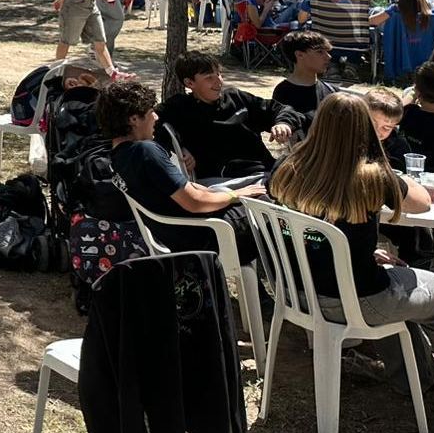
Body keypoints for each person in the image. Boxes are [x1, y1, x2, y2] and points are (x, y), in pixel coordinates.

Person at [268, 91, 434, 427]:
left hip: (300, 291)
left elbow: (319, 230)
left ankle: (417, 379)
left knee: (401, 278)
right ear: (363, 130)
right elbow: (423, 202)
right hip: (356, 298)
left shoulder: (286, 168)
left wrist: (362, 252)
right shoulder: (371, 175)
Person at [98, 80, 265, 264]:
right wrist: (236, 195)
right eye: (149, 113)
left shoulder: (116, 157)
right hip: (204, 236)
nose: (156, 117)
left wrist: (222, 192)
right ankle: (292, 282)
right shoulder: (145, 152)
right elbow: (195, 202)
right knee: (271, 206)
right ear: (134, 120)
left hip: (174, 233)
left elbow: (186, 187)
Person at [154, 51, 301, 178]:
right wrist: (178, 149)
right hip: (223, 181)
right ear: (190, 83)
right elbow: (148, 124)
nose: (218, 82)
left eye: (219, 74)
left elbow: (280, 109)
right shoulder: (179, 107)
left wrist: (283, 123)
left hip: (265, 171)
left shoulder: (237, 98)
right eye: (209, 78)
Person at [370, 0, 434, 81]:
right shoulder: (429, 10)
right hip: (427, 58)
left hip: (401, 59)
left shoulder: (395, 10)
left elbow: (373, 21)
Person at [272, 30, 337, 131]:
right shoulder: (283, 92)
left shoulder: (331, 91)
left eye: (327, 51)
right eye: (320, 52)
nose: (328, 56)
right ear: (299, 55)